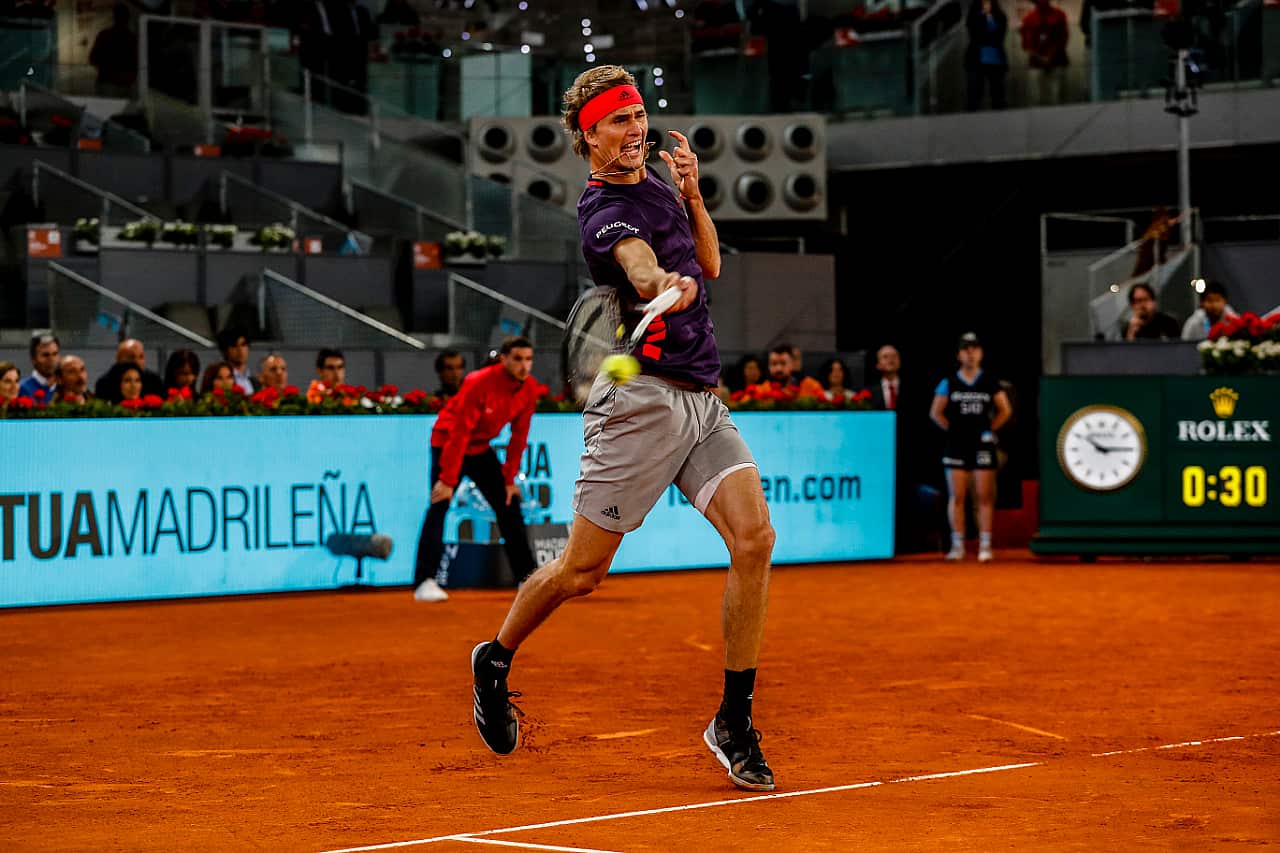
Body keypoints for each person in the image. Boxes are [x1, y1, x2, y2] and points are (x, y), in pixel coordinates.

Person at [469, 65, 776, 793]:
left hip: (702, 398)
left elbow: (709, 260)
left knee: (755, 539)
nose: (635, 130)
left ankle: (733, 718)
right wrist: (666, 287)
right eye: (618, 121)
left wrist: (695, 195)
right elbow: (644, 272)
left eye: (638, 115)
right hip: (639, 409)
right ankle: (496, 656)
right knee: (582, 572)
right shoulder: (602, 210)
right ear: (588, 137)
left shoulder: (660, 184)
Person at [413, 336, 540, 604]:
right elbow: (459, 433)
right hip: (448, 441)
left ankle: (528, 580)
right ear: (504, 359)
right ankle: (425, 581)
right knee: (439, 503)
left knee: (509, 504)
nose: (524, 366)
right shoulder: (477, 382)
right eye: (517, 359)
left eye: (528, 359)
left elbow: (519, 437)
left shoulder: (529, 389)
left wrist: (508, 479)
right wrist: (447, 480)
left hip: (480, 447)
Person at [930, 333, 1012, 563]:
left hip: (982, 444)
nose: (970, 353)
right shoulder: (949, 382)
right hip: (956, 445)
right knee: (957, 496)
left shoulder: (989, 381)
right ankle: (958, 545)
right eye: (966, 349)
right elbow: (935, 413)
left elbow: (1005, 410)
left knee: (984, 496)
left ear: (981, 353)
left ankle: (985, 544)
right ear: (959, 355)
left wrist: (990, 430)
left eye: (974, 349)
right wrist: (952, 431)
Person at [1021, 0, 1069, 106]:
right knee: (1035, 97)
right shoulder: (1029, 18)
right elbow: (1026, 44)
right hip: (1036, 63)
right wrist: (1039, 56)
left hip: (1057, 61)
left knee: (1057, 97)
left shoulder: (1059, 15)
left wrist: (1050, 55)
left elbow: (1063, 39)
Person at [965, 0, 1008, 110]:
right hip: (977, 58)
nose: (986, 5)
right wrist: (982, 15)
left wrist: (989, 17)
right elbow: (974, 33)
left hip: (995, 58)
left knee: (998, 94)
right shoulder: (974, 16)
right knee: (975, 94)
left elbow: (999, 34)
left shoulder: (999, 16)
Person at [89, 3, 138, 98]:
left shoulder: (105, 35)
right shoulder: (131, 38)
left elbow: (93, 58)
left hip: (111, 82)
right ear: (128, 18)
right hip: (121, 83)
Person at [94, 339, 164, 399]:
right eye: (131, 357)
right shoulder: (105, 383)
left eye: (141, 357)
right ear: (119, 359)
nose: (137, 362)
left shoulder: (153, 381)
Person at [19, 332, 59, 402]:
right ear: (33, 359)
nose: (52, 359)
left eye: (55, 354)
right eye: (45, 355)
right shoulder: (22, 389)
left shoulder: (65, 387)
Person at [217, 329, 257, 395]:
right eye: (234, 346)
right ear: (225, 350)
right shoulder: (220, 379)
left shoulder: (255, 381)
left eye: (243, 345)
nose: (240, 350)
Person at [870, 344, 901, 412]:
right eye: (885, 357)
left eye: (894, 356)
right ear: (878, 365)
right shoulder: (869, 393)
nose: (891, 359)